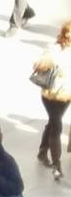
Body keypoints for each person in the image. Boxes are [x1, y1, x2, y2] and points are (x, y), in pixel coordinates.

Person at [33, 22, 71, 180]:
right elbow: (39, 64)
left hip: (66, 96)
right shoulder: (54, 50)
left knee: (53, 122)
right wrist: (48, 65)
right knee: (56, 126)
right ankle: (57, 165)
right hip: (51, 96)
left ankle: (42, 152)